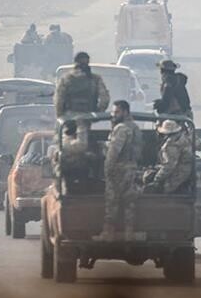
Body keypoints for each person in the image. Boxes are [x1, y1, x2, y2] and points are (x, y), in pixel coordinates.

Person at [94, 100, 143, 242]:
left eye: (117, 112)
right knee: (129, 203)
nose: (113, 115)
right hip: (132, 168)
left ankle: (108, 233)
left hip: (119, 170)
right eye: (113, 112)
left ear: (125, 112)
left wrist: (107, 169)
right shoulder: (135, 128)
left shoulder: (121, 129)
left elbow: (114, 152)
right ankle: (129, 233)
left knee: (111, 202)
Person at [54, 52, 110, 144]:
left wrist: (61, 116)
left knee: (65, 143)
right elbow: (105, 99)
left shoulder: (66, 79)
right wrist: (97, 114)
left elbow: (59, 100)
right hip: (87, 116)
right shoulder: (95, 79)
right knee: (85, 141)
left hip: (69, 117)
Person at [145, 120, 193, 194]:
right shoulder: (184, 138)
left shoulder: (171, 144)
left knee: (154, 189)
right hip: (186, 171)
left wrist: (156, 178)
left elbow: (169, 166)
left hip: (179, 173)